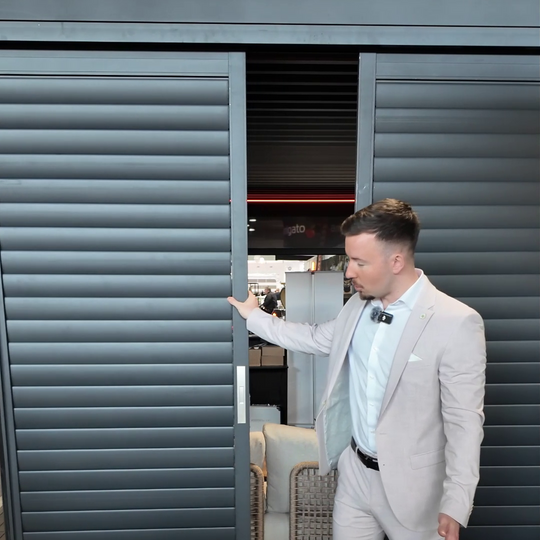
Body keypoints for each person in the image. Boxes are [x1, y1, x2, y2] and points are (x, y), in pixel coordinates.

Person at [228, 199, 486, 540]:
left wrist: (456, 502)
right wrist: (253, 315)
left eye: (359, 262)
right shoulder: (357, 306)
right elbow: (314, 337)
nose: (349, 272)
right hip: (355, 476)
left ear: (396, 261)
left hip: (417, 492)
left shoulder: (456, 321)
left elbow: (464, 422)